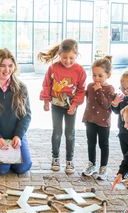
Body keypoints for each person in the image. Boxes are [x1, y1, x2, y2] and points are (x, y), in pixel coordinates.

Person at [39, 39, 86, 174]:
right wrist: (46, 101)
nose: (67, 60)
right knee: (57, 132)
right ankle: (55, 158)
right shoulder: (53, 68)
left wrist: (75, 104)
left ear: (76, 55)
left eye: (71, 58)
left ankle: (69, 160)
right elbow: (47, 84)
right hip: (56, 106)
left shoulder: (80, 70)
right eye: (64, 57)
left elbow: (81, 90)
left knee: (70, 134)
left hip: (71, 107)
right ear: (60, 54)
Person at [82, 56, 115, 180]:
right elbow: (84, 96)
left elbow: (106, 105)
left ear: (108, 75)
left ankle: (103, 167)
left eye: (100, 75)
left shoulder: (109, 88)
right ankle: (92, 164)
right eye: (94, 75)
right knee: (91, 143)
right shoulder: (90, 86)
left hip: (103, 122)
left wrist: (100, 90)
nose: (97, 78)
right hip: (90, 120)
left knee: (103, 144)